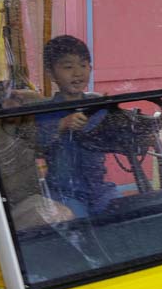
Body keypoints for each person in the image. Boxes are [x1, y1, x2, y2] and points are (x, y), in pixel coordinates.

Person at [38, 35, 118, 215]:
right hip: (64, 194)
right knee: (76, 225)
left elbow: (117, 139)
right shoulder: (45, 111)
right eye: (68, 67)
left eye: (83, 65)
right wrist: (62, 124)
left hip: (100, 190)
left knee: (124, 215)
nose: (77, 72)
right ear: (51, 73)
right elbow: (34, 142)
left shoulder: (98, 106)